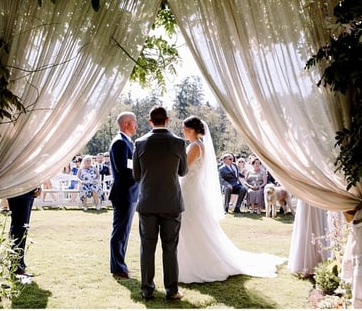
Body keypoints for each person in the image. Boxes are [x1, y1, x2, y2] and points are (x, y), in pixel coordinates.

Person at [177, 116, 286, 283]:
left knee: (189, 222)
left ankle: (195, 263)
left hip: (189, 189)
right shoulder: (199, 146)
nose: (182, 131)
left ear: (191, 129)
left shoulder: (194, 146)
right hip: (191, 188)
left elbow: (183, 170)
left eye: (184, 128)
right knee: (194, 223)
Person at [133, 106, 188, 301]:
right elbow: (183, 171)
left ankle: (147, 290)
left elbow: (137, 175)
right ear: (167, 119)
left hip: (147, 202)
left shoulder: (139, 143)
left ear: (150, 121)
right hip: (171, 202)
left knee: (147, 247)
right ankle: (172, 291)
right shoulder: (179, 143)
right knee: (170, 247)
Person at [108, 111, 139, 279]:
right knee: (120, 232)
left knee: (124, 232)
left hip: (130, 192)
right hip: (124, 193)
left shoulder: (126, 142)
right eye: (134, 122)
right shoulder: (120, 143)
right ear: (127, 123)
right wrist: (142, 173)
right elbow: (123, 170)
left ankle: (121, 265)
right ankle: (118, 268)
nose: (136, 126)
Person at [7, 187, 41, 277]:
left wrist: (37, 186)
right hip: (19, 191)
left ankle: (19, 264)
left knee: (23, 229)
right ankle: (16, 266)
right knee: (19, 228)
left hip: (28, 191)